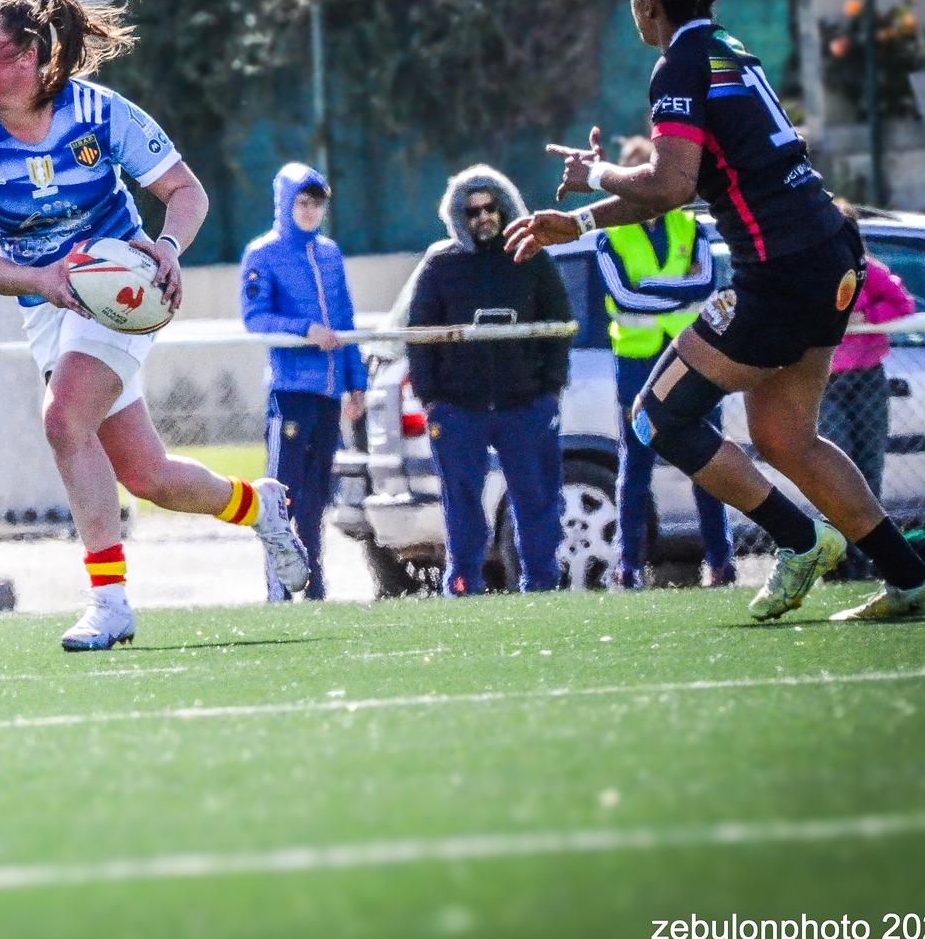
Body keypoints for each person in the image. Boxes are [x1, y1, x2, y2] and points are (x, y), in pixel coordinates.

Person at [508, 0, 925, 622]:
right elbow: (691, 175)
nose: (633, 12)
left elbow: (672, 183)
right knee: (785, 440)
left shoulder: (678, 65)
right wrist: (585, 220)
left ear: (650, 4)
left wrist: (593, 173)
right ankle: (911, 578)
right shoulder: (731, 51)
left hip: (776, 273)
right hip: (829, 253)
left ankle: (800, 542)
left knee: (655, 418)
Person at [0, 0, 309, 651]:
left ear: (28, 55)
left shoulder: (97, 112)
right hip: (50, 303)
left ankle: (109, 603)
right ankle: (260, 505)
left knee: (61, 418)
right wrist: (42, 281)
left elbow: (184, 192)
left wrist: (166, 248)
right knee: (149, 477)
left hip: (123, 290)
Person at [406, 165, 571, 595]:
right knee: (461, 502)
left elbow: (559, 322)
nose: (482, 217)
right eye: (472, 210)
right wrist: (431, 399)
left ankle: (541, 583)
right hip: (459, 407)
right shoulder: (441, 264)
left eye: (489, 207)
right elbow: (418, 334)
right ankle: (462, 582)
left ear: (505, 207)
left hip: (525, 404)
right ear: (458, 215)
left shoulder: (532, 257)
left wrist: (550, 390)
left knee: (536, 499)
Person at [594, 137, 732, 588]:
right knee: (636, 464)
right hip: (637, 363)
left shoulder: (692, 228)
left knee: (708, 460)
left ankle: (721, 562)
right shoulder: (608, 234)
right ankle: (629, 566)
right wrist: (674, 287)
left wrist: (656, 290)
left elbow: (706, 285)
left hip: (693, 358)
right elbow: (623, 296)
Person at [240, 163, 366, 601]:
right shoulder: (263, 253)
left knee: (316, 500)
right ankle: (278, 591)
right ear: (285, 204)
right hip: (290, 393)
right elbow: (256, 319)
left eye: (317, 204)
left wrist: (356, 384)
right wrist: (305, 329)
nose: (311, 212)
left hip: (329, 395)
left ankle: (313, 589)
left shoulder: (330, 254)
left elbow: (345, 320)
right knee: (280, 500)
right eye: (303, 202)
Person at [818, 198, 916, 579]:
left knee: (869, 468)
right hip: (825, 382)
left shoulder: (868, 271)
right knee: (835, 469)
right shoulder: (811, 274)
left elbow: (903, 304)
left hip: (867, 380)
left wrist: (866, 317)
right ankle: (838, 560)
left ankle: (869, 559)